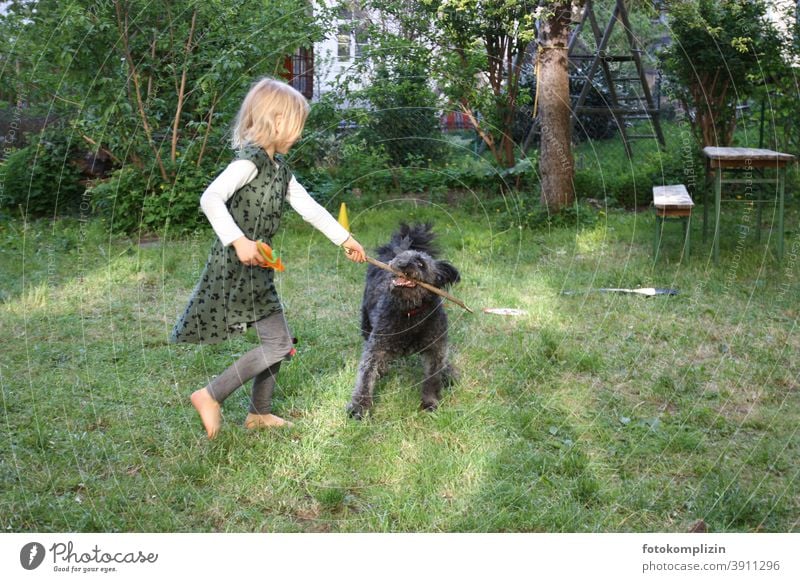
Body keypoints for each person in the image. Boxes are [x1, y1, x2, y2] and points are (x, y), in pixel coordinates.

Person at [170, 77, 365, 439]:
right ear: (275, 122)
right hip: (236, 266)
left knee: (280, 341)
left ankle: (259, 413)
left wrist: (346, 239)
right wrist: (238, 240)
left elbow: (312, 210)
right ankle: (210, 395)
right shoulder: (248, 164)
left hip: (258, 267)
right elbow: (210, 198)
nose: (299, 133)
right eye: (296, 125)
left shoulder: (281, 170)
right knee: (277, 344)